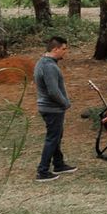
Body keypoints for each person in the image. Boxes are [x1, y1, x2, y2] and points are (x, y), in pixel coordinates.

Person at [33, 37, 75, 181]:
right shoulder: (49, 66)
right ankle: (43, 171)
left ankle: (59, 164)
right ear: (55, 49)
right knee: (53, 138)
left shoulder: (42, 62)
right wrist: (65, 103)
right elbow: (53, 91)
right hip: (52, 109)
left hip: (49, 108)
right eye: (64, 49)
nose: (66, 52)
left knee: (56, 137)